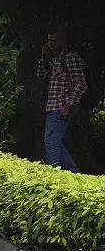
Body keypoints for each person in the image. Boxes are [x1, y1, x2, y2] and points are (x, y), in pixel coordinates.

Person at [37, 26, 86, 172]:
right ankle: (75, 173)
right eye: (48, 40)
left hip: (62, 106)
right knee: (54, 141)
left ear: (62, 41)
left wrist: (68, 105)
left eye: (53, 40)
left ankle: (54, 176)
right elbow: (41, 75)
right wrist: (43, 57)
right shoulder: (57, 59)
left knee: (51, 142)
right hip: (54, 105)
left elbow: (81, 84)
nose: (49, 43)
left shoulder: (71, 58)